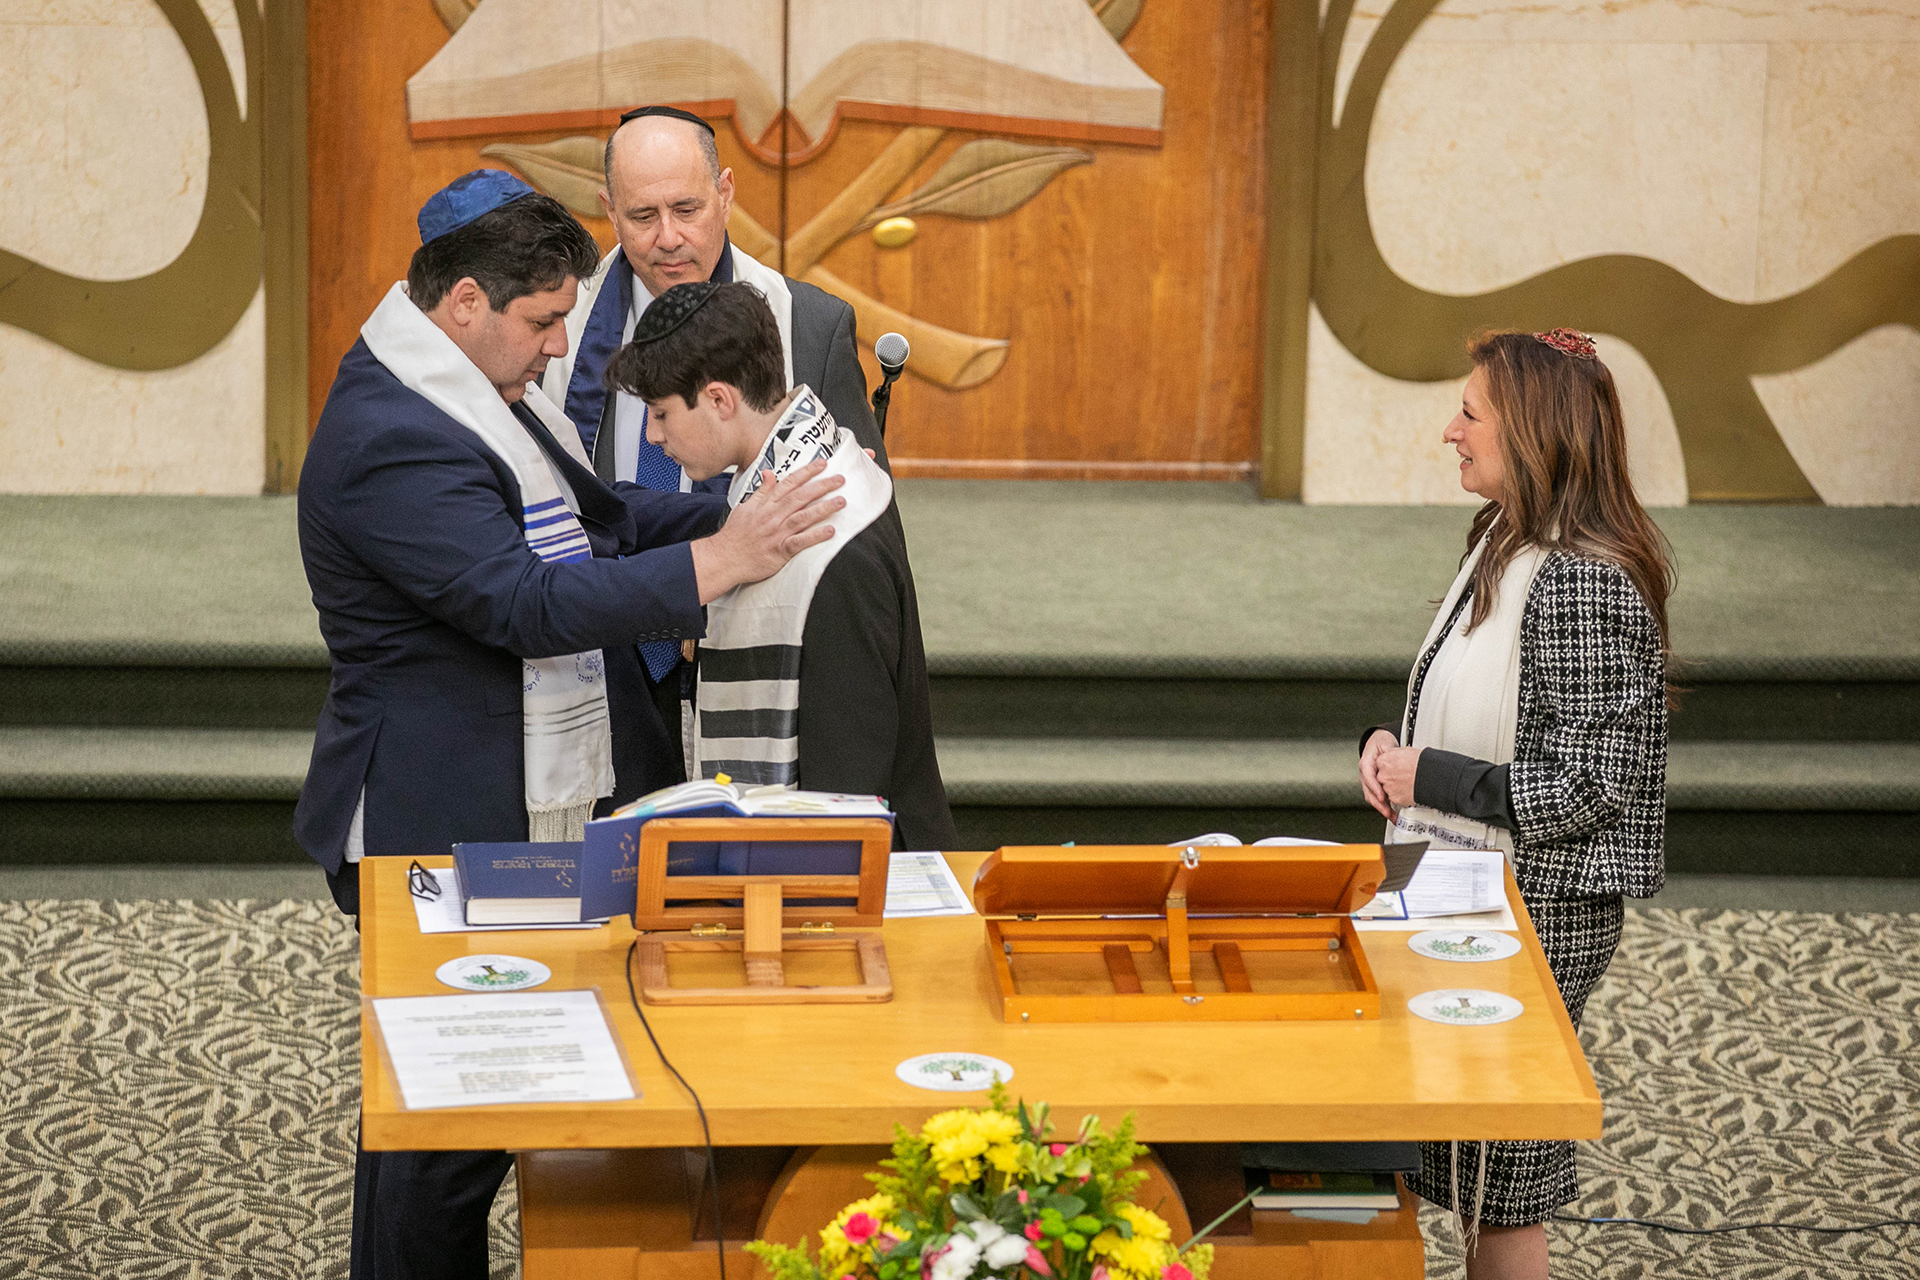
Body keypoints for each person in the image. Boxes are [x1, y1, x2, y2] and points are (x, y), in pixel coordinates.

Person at [295, 169, 847, 1280]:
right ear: (463, 304)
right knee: (452, 1115)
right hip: (441, 813)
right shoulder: (392, 431)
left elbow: (603, 516)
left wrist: (743, 509)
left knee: (453, 1099)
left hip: (515, 796)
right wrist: (719, 563)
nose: (560, 347)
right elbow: (521, 603)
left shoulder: (481, 386)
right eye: (544, 322)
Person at [1357, 328, 1673, 1280]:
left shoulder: (1580, 579)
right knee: (1452, 1141)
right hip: (1465, 877)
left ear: (1531, 433)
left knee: (1505, 1164)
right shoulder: (1506, 538)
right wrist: (1391, 752)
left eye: (1470, 413)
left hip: (1538, 904)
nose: (1450, 432)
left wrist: (1431, 778)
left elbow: (1590, 788)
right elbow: (1466, 700)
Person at [539, 106, 890, 779]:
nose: (669, 238)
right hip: (610, 651)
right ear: (608, 210)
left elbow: (846, 515)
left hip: (763, 653)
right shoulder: (555, 326)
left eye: (688, 208)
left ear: (726, 193)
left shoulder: (808, 324)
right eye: (643, 217)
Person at [607, 281, 958, 852]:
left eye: (661, 412)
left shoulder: (827, 542)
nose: (653, 435)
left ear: (720, 400)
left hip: (855, 893)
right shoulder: (805, 472)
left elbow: (845, 788)